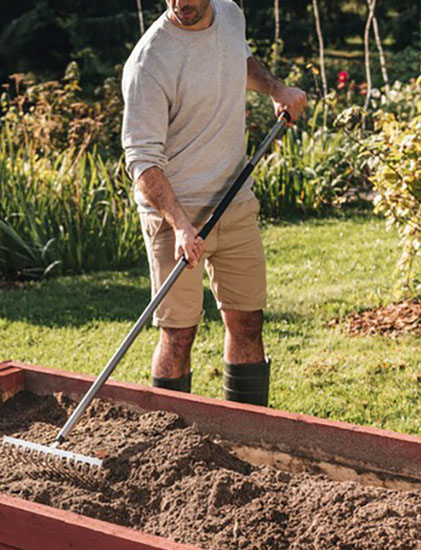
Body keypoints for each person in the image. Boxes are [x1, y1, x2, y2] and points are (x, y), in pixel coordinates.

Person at [121, 0, 306, 405]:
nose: (180, 3)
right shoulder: (149, 62)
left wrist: (276, 89)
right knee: (179, 332)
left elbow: (239, 60)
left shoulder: (230, 14)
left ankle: (245, 433)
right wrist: (181, 226)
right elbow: (142, 163)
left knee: (247, 322)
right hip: (176, 213)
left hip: (234, 199)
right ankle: (171, 442)